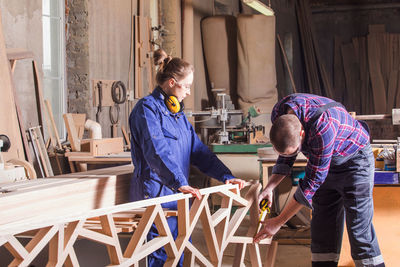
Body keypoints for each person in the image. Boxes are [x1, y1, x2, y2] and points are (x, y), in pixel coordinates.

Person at [129, 48, 245, 266]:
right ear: (172, 83)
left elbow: (199, 151)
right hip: (157, 195)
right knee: (163, 257)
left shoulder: (177, 114)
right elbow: (156, 151)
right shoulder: (147, 110)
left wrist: (225, 176)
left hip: (179, 195)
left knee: (181, 252)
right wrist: (180, 182)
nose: (189, 92)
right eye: (187, 86)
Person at [253, 93, 384, 267]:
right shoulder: (280, 113)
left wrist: (278, 222)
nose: (291, 155)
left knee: (360, 234)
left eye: (295, 151)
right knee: (322, 230)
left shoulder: (323, 128)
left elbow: (310, 184)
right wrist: (269, 187)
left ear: (302, 133)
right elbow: (287, 154)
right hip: (323, 159)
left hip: (355, 163)